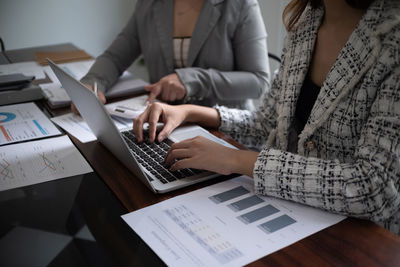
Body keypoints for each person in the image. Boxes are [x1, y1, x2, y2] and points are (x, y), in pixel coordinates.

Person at [133, 0, 400, 235]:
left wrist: (235, 159)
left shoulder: (392, 39)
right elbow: (268, 123)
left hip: (364, 237)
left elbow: (375, 185)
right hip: (293, 214)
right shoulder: (305, 22)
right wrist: (190, 112)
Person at [77, 0, 270, 111]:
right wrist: (92, 84)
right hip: (163, 123)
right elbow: (115, 57)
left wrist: (193, 79)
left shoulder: (240, 4)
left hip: (224, 131)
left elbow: (259, 81)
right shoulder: (149, 4)